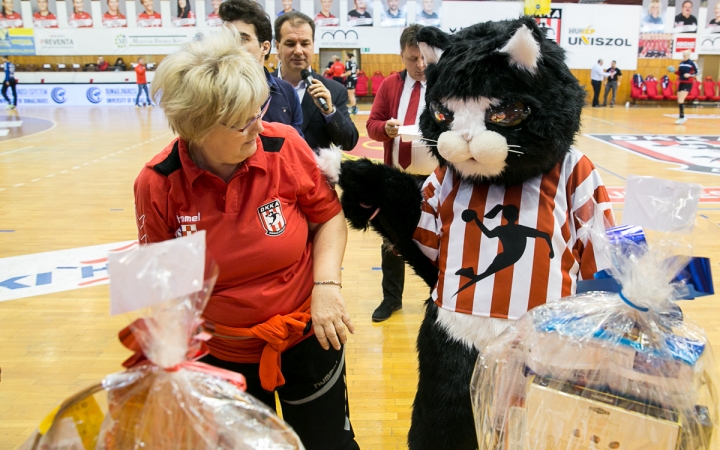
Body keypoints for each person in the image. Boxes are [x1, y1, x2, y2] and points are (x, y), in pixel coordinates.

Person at [135, 27, 359, 450]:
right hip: (221, 355)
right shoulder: (158, 182)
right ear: (195, 126)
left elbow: (329, 218)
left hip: (308, 337)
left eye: (259, 110)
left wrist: (327, 285)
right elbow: (161, 281)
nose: (258, 127)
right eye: (242, 122)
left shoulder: (283, 144)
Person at [366, 24, 437, 322]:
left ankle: (439, 301)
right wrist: (386, 129)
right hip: (397, 176)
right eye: (412, 59)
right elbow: (372, 125)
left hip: (437, 179)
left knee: (438, 242)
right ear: (401, 56)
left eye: (423, 58)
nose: (419, 66)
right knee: (392, 241)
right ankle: (391, 299)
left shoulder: (443, 85)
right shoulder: (390, 86)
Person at [273, 12, 359, 151]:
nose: (298, 51)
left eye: (305, 43)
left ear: (313, 45)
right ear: (277, 46)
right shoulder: (260, 86)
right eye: (290, 43)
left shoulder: (334, 91)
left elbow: (348, 142)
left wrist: (329, 112)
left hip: (313, 172)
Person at [220, 0, 303, 135]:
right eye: (228, 38)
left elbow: (295, 148)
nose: (232, 45)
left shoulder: (287, 93)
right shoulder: (210, 92)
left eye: (242, 39)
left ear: (265, 47)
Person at [675, 50, 698, 125]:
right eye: (683, 55)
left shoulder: (692, 63)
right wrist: (674, 71)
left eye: (685, 55)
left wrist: (690, 75)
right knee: (679, 100)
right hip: (681, 82)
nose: (684, 56)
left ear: (688, 55)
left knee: (681, 99)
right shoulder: (681, 63)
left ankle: (682, 117)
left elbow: (697, 71)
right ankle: (681, 116)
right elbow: (679, 73)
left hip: (688, 83)